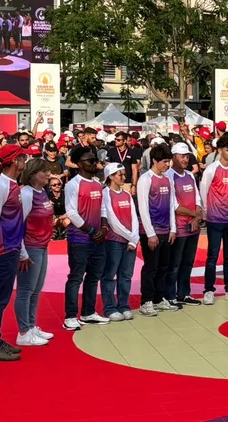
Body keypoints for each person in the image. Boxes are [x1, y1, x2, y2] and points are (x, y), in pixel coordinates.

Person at [0, 144, 29, 362]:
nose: (25, 161)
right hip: (3, 249)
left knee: (2, 297)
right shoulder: (1, 186)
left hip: (12, 247)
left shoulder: (11, 183)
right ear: (13, 161)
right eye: (22, 158)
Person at [63, 146, 111, 331]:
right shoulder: (73, 184)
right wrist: (92, 231)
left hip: (98, 239)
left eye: (95, 160)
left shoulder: (98, 183)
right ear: (79, 164)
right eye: (90, 161)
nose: (95, 164)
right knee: (76, 278)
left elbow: (103, 208)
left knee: (93, 277)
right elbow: (72, 213)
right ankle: (70, 316)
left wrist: (104, 227)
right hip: (80, 240)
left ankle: (88, 312)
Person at [14, 158, 56, 347]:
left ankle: (31, 326)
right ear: (32, 175)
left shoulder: (42, 192)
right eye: (43, 171)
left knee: (36, 290)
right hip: (30, 247)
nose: (48, 174)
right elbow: (18, 224)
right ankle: (23, 331)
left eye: (48, 171)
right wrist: (22, 252)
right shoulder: (27, 193)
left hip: (42, 245)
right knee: (25, 290)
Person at [200, 135, 228, 303]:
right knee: (212, 256)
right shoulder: (211, 170)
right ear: (219, 151)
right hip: (215, 219)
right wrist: (206, 214)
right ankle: (208, 290)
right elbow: (203, 192)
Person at [137, 143, 178, 315]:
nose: (167, 165)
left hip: (166, 231)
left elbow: (171, 205)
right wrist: (150, 233)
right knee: (151, 267)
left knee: (164, 267)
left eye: (169, 161)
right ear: (154, 160)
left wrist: (173, 229)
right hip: (151, 232)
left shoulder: (168, 179)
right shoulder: (145, 179)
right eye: (164, 161)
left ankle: (158, 298)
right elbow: (143, 208)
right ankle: (146, 301)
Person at [167, 143, 204, 307]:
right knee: (175, 263)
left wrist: (196, 217)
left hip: (193, 227)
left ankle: (184, 293)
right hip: (179, 226)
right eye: (182, 156)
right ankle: (170, 295)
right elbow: (173, 205)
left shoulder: (189, 174)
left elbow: (197, 198)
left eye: (187, 156)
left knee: (188, 262)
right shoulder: (168, 176)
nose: (185, 159)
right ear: (173, 157)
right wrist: (194, 214)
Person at [101, 163, 140, 320]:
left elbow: (134, 217)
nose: (124, 177)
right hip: (114, 241)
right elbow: (112, 220)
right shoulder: (105, 194)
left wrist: (134, 239)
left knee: (126, 275)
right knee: (110, 275)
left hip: (130, 242)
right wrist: (132, 237)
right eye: (120, 175)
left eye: (124, 174)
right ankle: (109, 308)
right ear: (110, 176)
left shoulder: (127, 194)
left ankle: (123, 305)